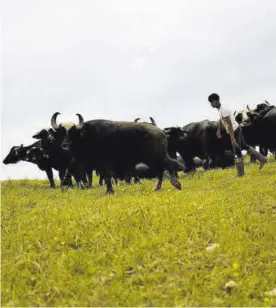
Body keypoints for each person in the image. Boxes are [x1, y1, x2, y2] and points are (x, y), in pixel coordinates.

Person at [208, 93, 267, 176]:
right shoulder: (220, 110)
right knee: (244, 146)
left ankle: (241, 174)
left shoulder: (224, 110)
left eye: (211, 102)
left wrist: (232, 139)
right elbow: (222, 120)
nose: (211, 104)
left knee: (237, 150)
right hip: (236, 129)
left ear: (215, 101)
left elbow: (229, 125)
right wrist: (219, 130)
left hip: (234, 130)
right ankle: (262, 158)